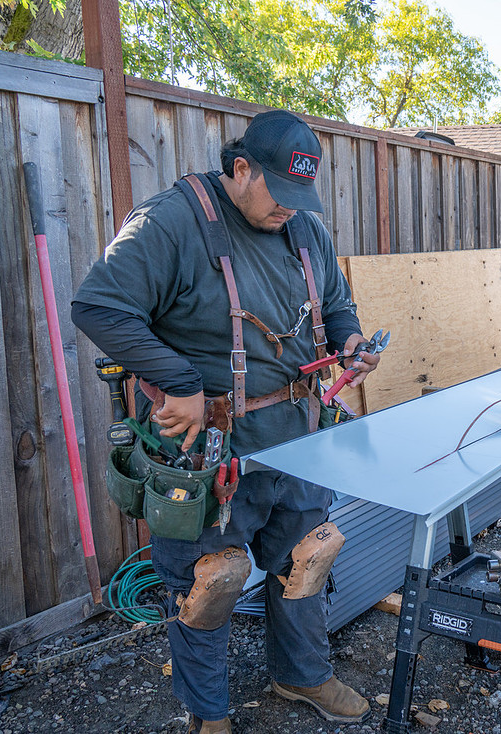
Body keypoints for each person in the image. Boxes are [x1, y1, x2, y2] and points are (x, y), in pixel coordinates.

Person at [72, 109, 379, 732]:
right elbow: (97, 306)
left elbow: (338, 304)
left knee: (305, 558)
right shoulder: (172, 221)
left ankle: (302, 675)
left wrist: (348, 343)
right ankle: (207, 713)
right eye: (280, 192)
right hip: (206, 447)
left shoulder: (304, 229)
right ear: (241, 168)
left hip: (297, 436)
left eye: (302, 195)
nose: (291, 208)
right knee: (211, 581)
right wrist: (180, 384)